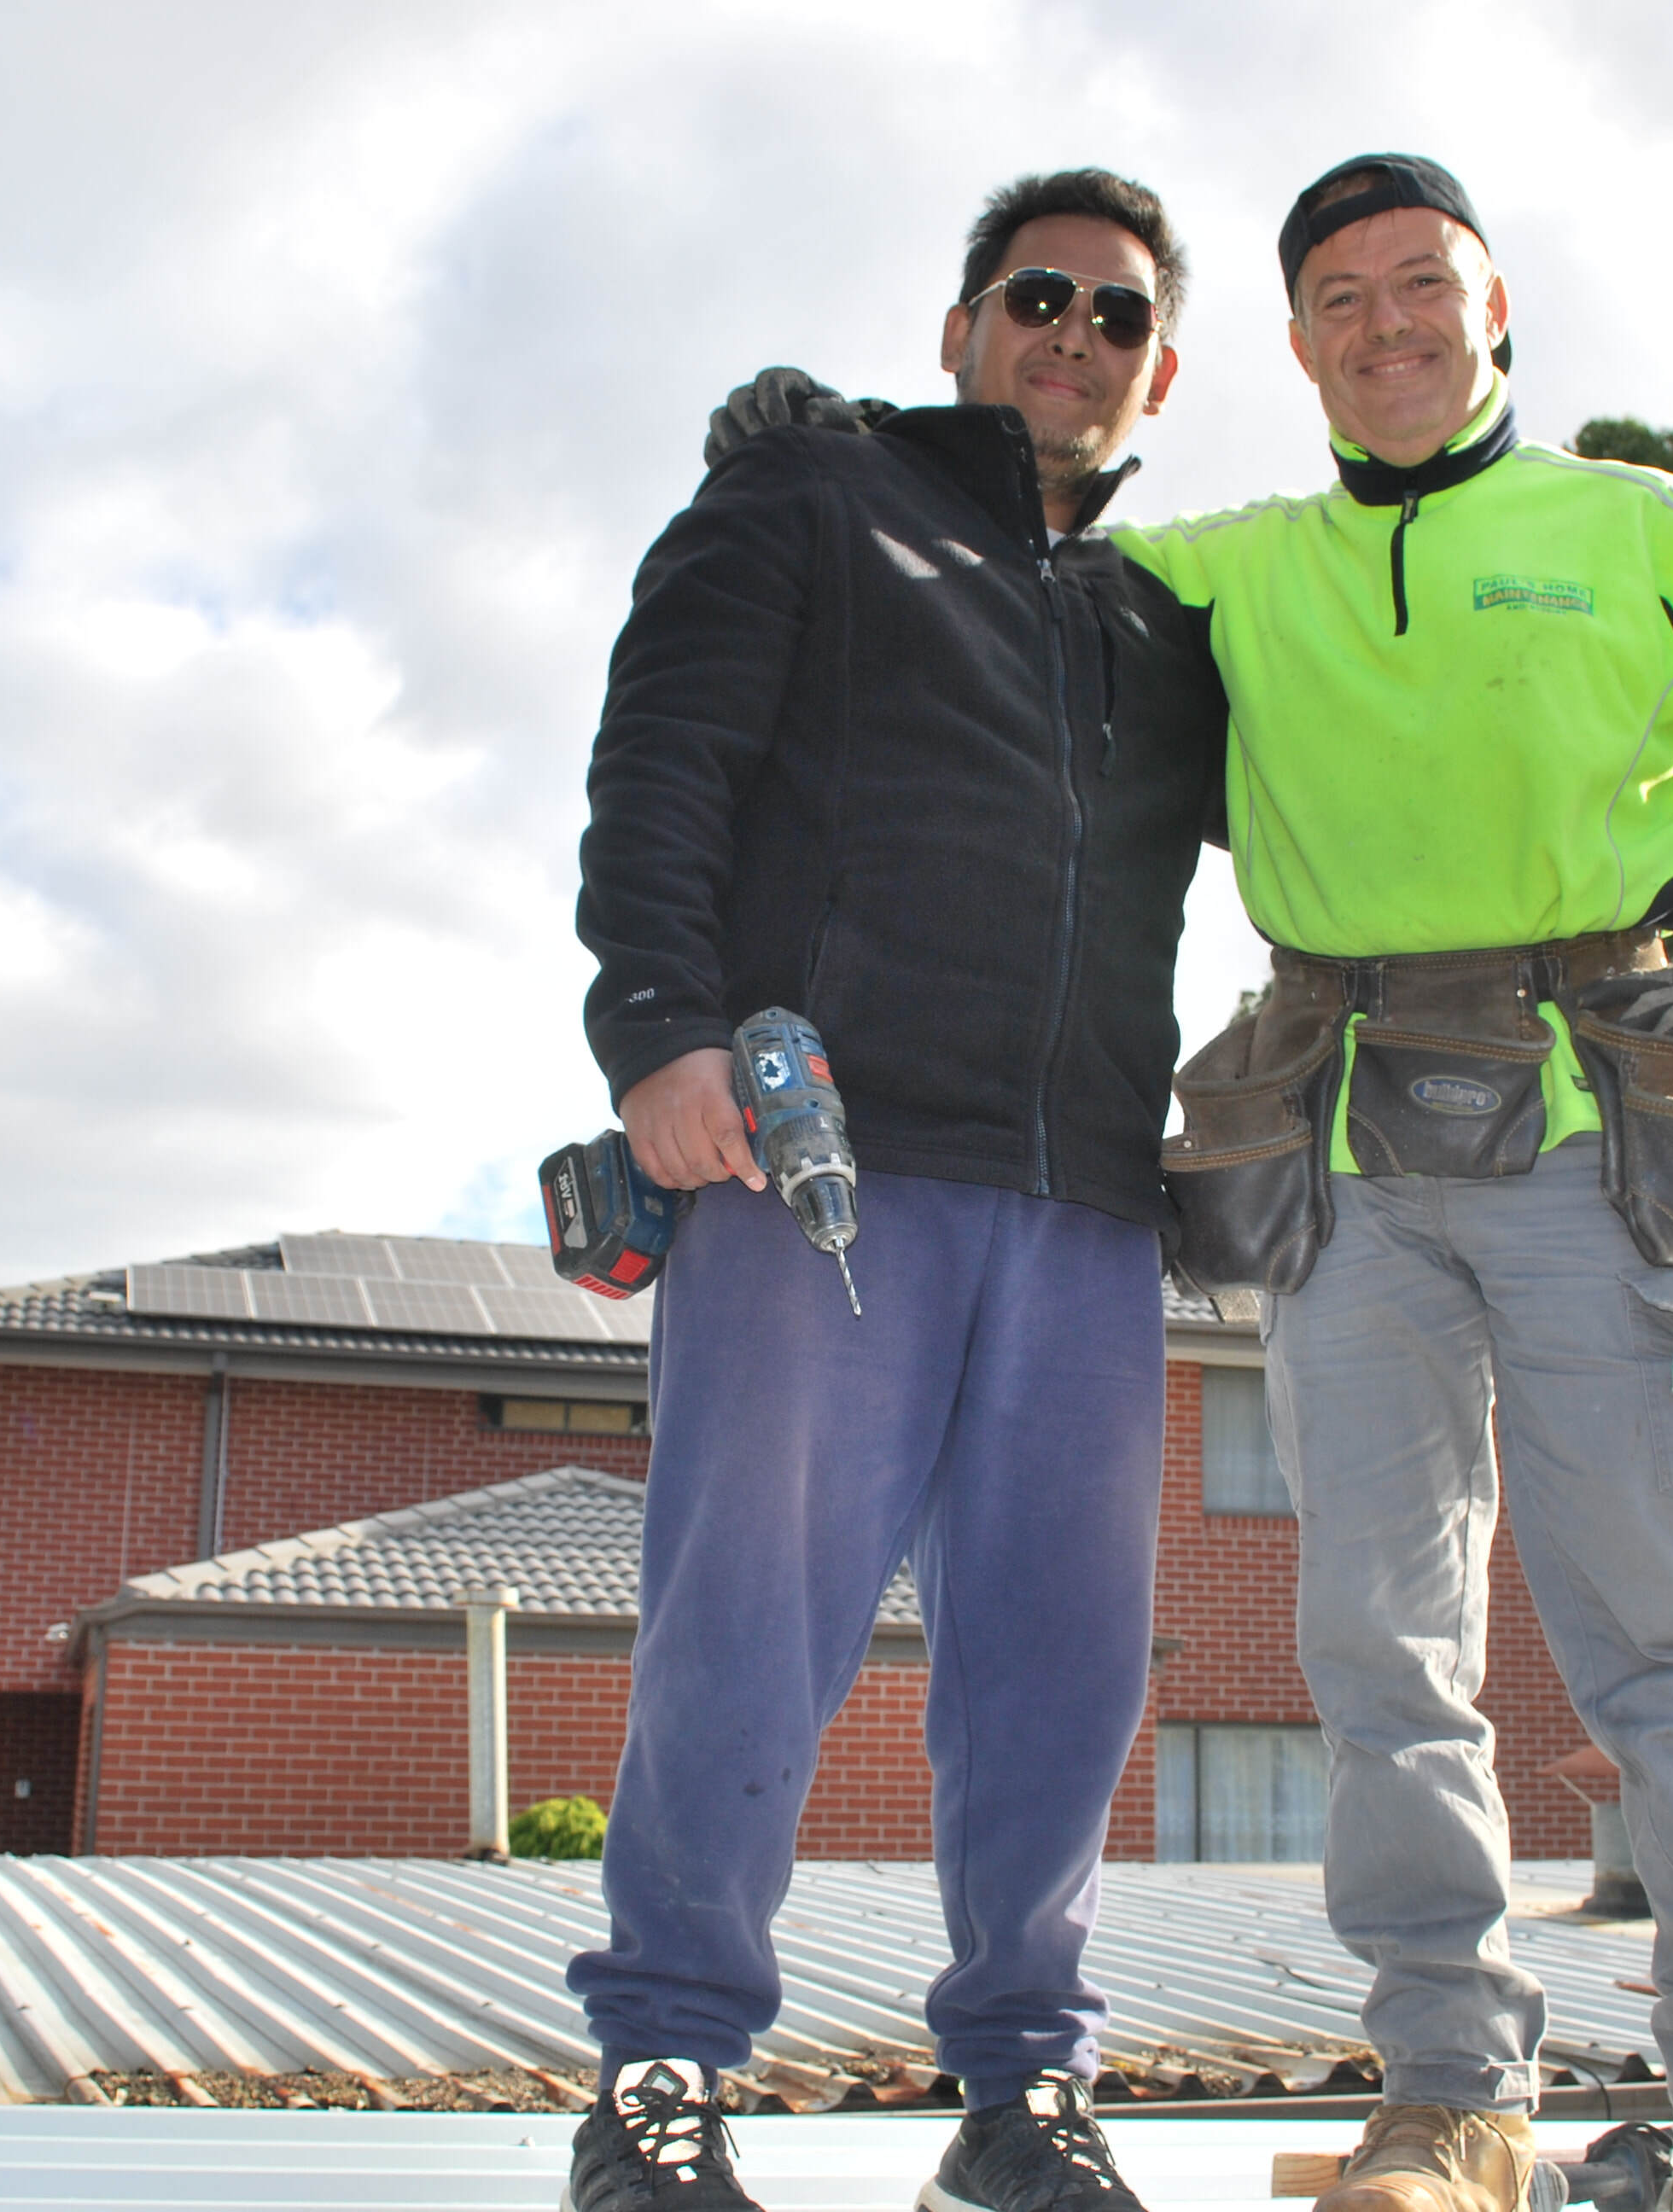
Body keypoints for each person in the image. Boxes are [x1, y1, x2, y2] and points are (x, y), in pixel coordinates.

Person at [708, 154, 1673, 2212]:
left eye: (1423, 285)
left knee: (1667, 1630)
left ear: (1495, 312)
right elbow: (1004, 559)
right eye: (1341, 298)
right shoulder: (1220, 574)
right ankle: (1448, 2103)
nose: (1387, 325)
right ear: (1291, 348)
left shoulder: (1642, 532)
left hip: (1596, 1142)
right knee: (1382, 1654)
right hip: (1342, 1162)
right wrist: (839, 454)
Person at [566, 168, 1227, 2212]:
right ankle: (660, 2075)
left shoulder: (1169, 624)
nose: (1073, 335)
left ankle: (1022, 2101)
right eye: (1036, 296)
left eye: (1118, 316)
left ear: (1160, 375)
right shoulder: (813, 497)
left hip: (1087, 1197)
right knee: (746, 1630)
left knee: (1060, 1665)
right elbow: (659, 763)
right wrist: (659, 1032)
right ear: (961, 329)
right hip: (818, 1167)